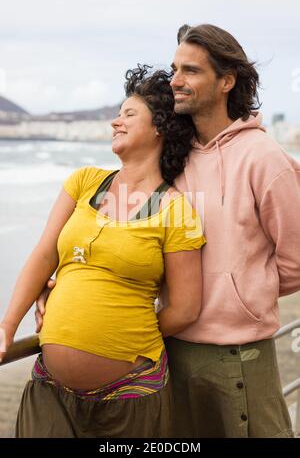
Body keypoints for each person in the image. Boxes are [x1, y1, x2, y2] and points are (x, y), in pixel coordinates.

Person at [34, 23, 299, 438]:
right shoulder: (174, 155)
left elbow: (296, 260)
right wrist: (67, 287)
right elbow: (126, 236)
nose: (175, 80)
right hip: (168, 348)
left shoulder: (263, 158)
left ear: (227, 81)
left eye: (190, 71)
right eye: (175, 69)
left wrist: (240, 292)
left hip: (238, 354)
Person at [0, 65, 206, 438]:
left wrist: (117, 336)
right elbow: (45, 253)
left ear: (159, 127)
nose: (115, 122)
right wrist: (7, 326)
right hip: (50, 389)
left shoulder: (178, 211)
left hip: (130, 392)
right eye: (117, 114)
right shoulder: (84, 182)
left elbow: (186, 308)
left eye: (128, 114)